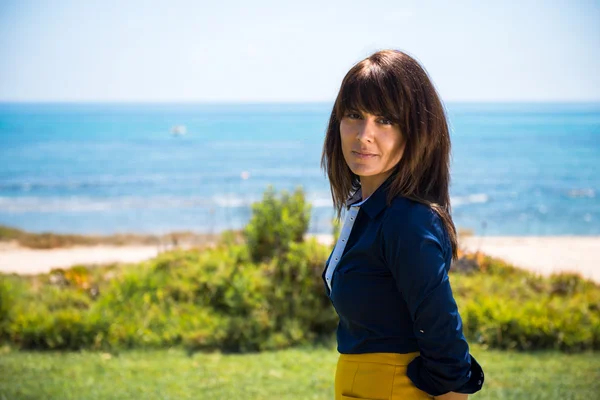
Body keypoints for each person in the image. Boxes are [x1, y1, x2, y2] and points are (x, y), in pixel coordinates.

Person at [320, 49, 484, 400]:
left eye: (386, 120)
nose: (365, 135)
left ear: (416, 132)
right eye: (354, 115)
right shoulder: (368, 211)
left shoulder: (408, 220)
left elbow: (445, 340)